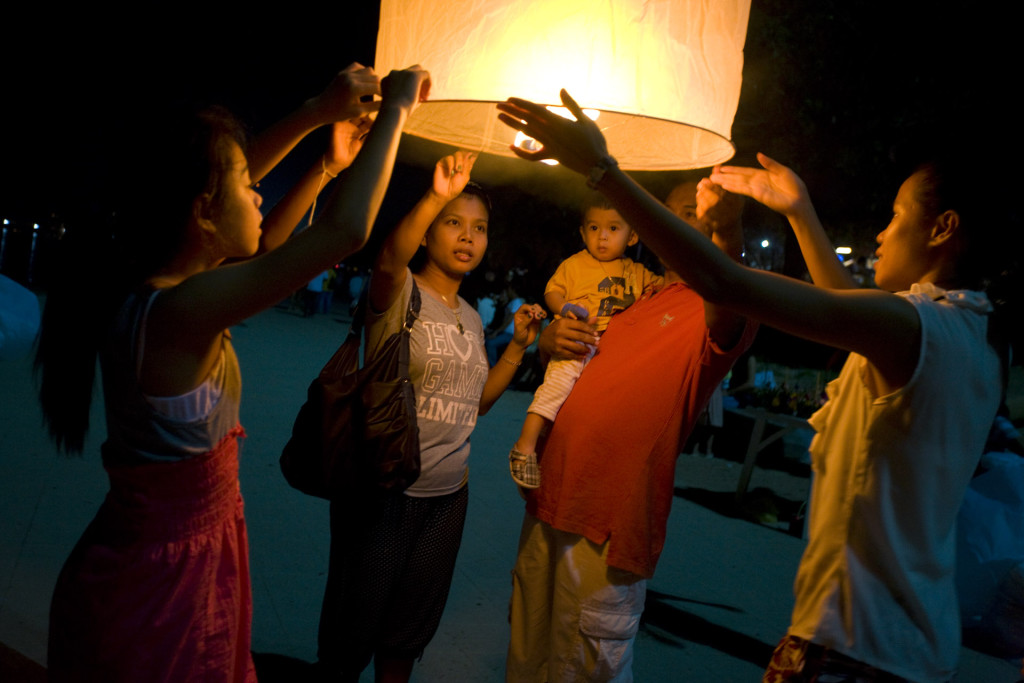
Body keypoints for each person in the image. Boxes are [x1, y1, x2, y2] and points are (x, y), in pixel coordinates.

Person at [498, 90, 1013, 681]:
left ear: (943, 228)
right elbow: (842, 305)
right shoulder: (972, 336)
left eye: (897, 215)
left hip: (859, 644)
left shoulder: (917, 327)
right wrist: (799, 210)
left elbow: (725, 282)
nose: (881, 232)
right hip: (893, 643)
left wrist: (602, 170)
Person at [34, 63, 431, 683]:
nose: (260, 191)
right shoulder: (177, 312)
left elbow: (263, 240)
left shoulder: (160, 291)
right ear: (201, 214)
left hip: (155, 568)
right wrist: (400, 109)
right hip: (155, 595)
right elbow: (343, 231)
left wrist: (319, 134)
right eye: (249, 182)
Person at [503, 175, 754, 681]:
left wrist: (726, 233)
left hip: (608, 527)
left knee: (582, 669)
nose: (681, 223)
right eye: (678, 212)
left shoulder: (718, 308)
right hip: (549, 505)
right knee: (527, 662)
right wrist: (551, 341)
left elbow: (729, 287)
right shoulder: (636, 291)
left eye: (696, 213)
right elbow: (576, 361)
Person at [317, 150, 545, 683]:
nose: (468, 237)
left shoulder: (469, 316)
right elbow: (388, 260)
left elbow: (476, 404)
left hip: (447, 499)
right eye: (453, 223)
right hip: (382, 492)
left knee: (407, 634)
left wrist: (515, 347)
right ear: (427, 233)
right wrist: (434, 195)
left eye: (479, 228)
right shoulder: (399, 295)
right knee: (352, 636)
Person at [508, 194, 662, 489]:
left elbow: (666, 287)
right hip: (576, 342)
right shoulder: (575, 265)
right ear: (582, 233)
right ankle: (524, 446)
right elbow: (552, 292)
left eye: (613, 229)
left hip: (610, 353)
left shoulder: (638, 273)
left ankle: (550, 446)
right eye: (594, 228)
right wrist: (563, 308)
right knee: (556, 388)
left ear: (633, 237)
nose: (602, 236)